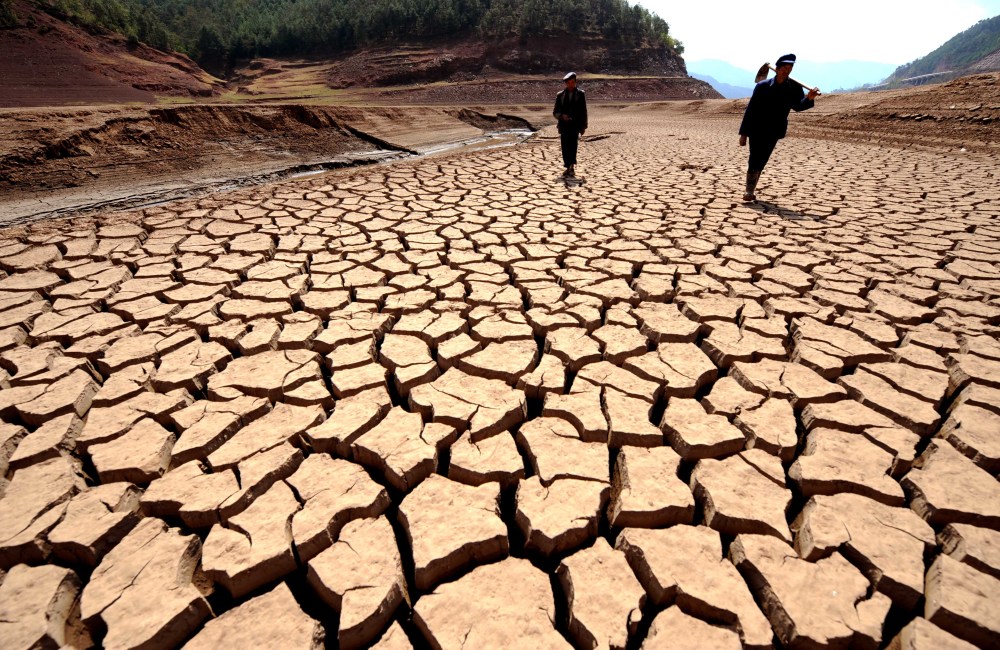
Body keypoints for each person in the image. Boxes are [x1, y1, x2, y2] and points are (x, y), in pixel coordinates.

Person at [739, 54, 819, 202]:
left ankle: (752, 187)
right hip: (757, 129)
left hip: (775, 130)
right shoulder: (762, 86)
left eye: (789, 68)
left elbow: (798, 106)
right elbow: (751, 110)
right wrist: (743, 133)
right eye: (784, 68)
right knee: (754, 158)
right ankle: (748, 191)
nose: (786, 71)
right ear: (776, 69)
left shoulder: (794, 88)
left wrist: (809, 98)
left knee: (762, 160)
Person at [553, 72, 588, 177]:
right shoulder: (560, 95)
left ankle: (571, 166)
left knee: (573, 145)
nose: (570, 84)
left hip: (575, 125)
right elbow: (555, 112)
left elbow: (584, 111)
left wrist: (583, 126)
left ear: (575, 82)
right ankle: (567, 166)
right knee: (565, 146)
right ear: (566, 83)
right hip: (564, 126)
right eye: (568, 83)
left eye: (572, 82)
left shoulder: (581, 94)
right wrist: (562, 116)